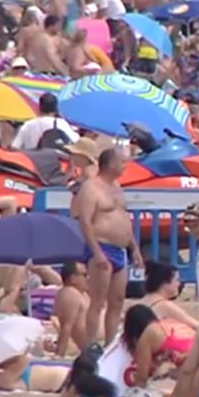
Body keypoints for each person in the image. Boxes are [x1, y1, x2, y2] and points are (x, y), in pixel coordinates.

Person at [72, 148, 141, 347]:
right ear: (111, 164)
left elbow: (123, 218)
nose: (125, 166)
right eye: (122, 163)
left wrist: (134, 247)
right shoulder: (91, 188)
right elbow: (85, 221)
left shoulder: (116, 186)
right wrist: (96, 252)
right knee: (98, 300)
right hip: (102, 246)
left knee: (117, 300)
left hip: (120, 248)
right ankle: (91, 345)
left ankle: (111, 345)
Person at [135, 261, 199, 328]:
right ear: (164, 283)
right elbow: (195, 325)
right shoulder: (165, 306)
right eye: (177, 280)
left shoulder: (141, 302)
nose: (179, 284)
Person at [12, 93, 80, 151]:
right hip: (53, 162)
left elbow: (15, 147)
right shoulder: (61, 123)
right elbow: (76, 141)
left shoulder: (28, 125)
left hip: (31, 162)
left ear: (39, 107)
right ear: (56, 108)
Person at [53, 261, 91, 358]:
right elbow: (66, 327)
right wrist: (59, 356)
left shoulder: (83, 294)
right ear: (73, 278)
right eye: (84, 275)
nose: (88, 278)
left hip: (93, 346)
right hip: (82, 350)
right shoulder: (70, 293)